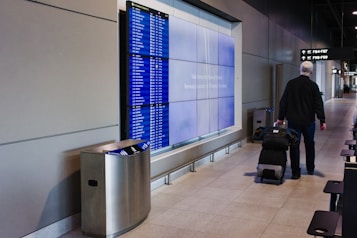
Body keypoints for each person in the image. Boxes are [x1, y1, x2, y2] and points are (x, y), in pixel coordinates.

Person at [277, 61, 326, 179]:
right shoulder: (313, 86)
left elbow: (284, 102)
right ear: (311, 72)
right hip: (308, 121)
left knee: (294, 145)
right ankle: (310, 168)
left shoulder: (291, 84)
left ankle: (295, 172)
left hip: (293, 121)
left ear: (300, 70)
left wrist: (280, 118)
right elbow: (318, 104)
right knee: (310, 144)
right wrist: (322, 120)